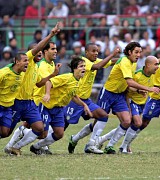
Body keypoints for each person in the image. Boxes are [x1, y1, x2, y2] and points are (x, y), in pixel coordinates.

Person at [11, 56, 91, 156]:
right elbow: (49, 82)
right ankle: (17, 145)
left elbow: (73, 96)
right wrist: (47, 94)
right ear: (75, 68)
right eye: (81, 66)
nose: (84, 68)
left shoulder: (78, 81)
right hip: (46, 107)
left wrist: (84, 105)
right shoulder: (67, 77)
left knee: (59, 133)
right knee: (42, 134)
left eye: (84, 66)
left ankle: (36, 147)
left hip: (58, 109)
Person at [4, 23, 61, 154]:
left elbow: (38, 84)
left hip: (29, 103)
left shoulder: (36, 66)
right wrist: (51, 34)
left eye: (40, 51)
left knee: (39, 129)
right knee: (5, 132)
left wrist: (52, 75)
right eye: (37, 51)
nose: (39, 52)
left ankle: (15, 147)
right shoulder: (28, 61)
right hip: (17, 102)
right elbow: (37, 49)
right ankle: (11, 144)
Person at [94, 42, 160, 154]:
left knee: (127, 121)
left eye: (140, 52)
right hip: (109, 92)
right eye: (136, 52)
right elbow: (130, 82)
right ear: (129, 52)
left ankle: (110, 145)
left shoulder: (133, 63)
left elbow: (131, 81)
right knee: (100, 118)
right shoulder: (125, 61)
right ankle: (91, 142)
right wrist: (149, 89)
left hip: (120, 95)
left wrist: (140, 90)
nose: (139, 55)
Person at [66, 43, 121, 154]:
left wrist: (124, 59)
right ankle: (43, 145)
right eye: (93, 51)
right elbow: (98, 66)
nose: (96, 53)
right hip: (74, 99)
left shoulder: (95, 61)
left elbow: (110, 62)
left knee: (103, 115)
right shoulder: (83, 61)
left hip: (86, 100)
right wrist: (112, 54)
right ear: (86, 52)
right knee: (61, 127)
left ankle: (90, 144)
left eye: (97, 51)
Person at [0, 53, 28, 139]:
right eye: (25, 60)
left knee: (5, 132)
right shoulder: (4, 73)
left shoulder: (22, 74)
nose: (27, 63)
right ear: (17, 61)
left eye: (28, 60)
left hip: (8, 107)